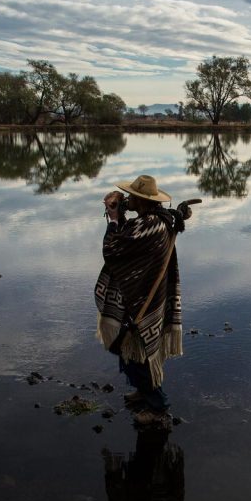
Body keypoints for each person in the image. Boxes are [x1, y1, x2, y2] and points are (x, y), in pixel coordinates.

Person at [94, 175, 192, 425]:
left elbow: (114, 249)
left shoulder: (150, 225)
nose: (127, 199)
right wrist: (120, 216)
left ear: (142, 200)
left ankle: (157, 407)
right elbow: (130, 241)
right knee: (132, 352)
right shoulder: (156, 221)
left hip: (141, 301)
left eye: (132, 197)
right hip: (141, 295)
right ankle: (143, 392)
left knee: (138, 353)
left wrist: (114, 219)